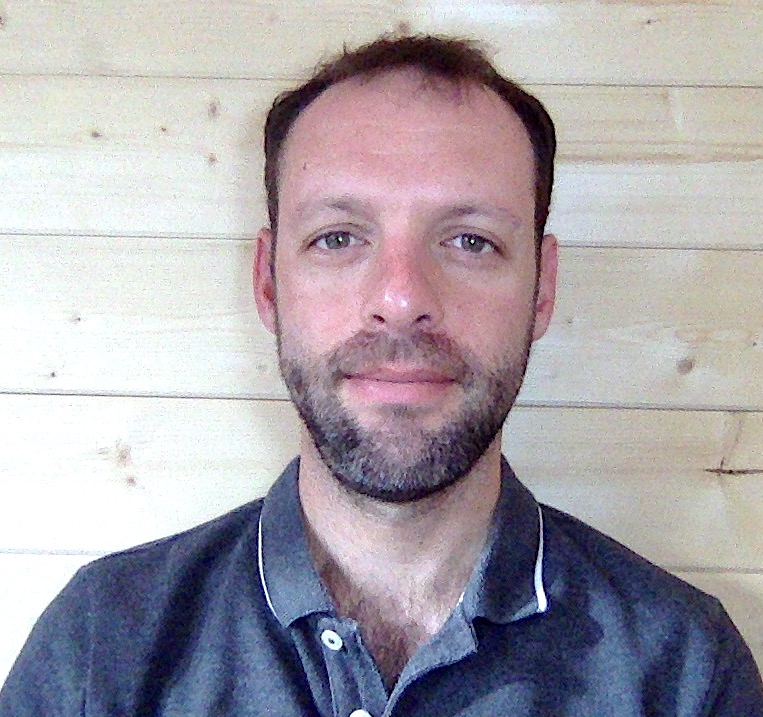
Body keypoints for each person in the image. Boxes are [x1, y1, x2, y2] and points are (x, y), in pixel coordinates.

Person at [1, 34, 761, 717]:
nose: (401, 299)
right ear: (267, 282)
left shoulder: (683, 672)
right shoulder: (102, 650)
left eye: (470, 241)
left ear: (542, 289)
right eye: (338, 237)